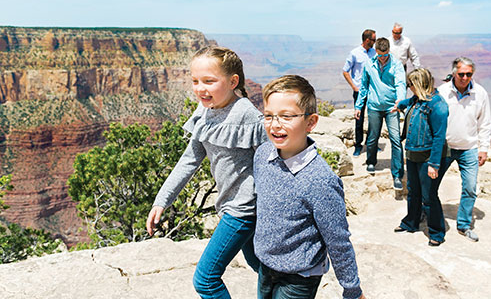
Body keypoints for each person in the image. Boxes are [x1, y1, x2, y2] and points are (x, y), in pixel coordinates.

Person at [146, 46, 269, 298]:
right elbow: (189, 159)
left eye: (209, 81)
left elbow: (271, 162)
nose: (201, 88)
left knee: (206, 279)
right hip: (230, 206)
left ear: (233, 81)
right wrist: (162, 200)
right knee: (261, 267)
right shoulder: (204, 110)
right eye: (195, 81)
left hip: (244, 210)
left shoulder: (247, 115)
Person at [254, 75, 365, 299]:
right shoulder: (262, 154)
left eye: (286, 116)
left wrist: (352, 290)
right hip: (265, 267)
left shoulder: (320, 181)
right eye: (268, 116)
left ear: (311, 122)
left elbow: (338, 240)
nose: (275, 124)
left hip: (299, 277)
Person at [392, 68, 449, 246]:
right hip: (413, 153)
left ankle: (437, 232)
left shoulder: (438, 105)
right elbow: (407, 102)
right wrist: (399, 105)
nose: (410, 88)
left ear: (419, 85)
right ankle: (411, 222)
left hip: (427, 158)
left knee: (429, 196)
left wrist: (434, 164)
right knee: (413, 191)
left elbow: (439, 137)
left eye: (411, 85)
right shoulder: (418, 99)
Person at [437, 57, 491, 242]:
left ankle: (464, 225)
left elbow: (485, 122)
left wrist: (483, 148)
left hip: (469, 148)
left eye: (469, 74)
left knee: (470, 187)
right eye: (461, 74)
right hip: (445, 147)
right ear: (454, 73)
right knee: (431, 185)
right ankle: (427, 214)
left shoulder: (480, 93)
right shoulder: (442, 92)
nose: (465, 77)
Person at [354, 37, 406, 191]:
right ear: (376, 52)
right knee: (372, 136)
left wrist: (400, 101)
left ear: (389, 51)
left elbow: (400, 84)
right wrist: (358, 106)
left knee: (396, 139)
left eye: (385, 55)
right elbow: (364, 86)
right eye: (380, 55)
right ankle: (371, 161)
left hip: (392, 107)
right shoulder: (369, 64)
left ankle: (397, 174)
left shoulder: (396, 64)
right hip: (374, 106)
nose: (383, 58)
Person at [343, 29, 377, 157]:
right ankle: (358, 145)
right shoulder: (354, 53)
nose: (375, 42)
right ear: (367, 40)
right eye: (374, 40)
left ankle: (371, 144)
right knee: (359, 118)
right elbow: (345, 71)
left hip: (373, 90)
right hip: (360, 90)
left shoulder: (374, 53)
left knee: (374, 118)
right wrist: (354, 86)